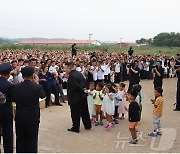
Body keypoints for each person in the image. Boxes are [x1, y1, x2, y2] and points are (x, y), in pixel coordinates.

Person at [14, 66, 45, 153]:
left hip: (20, 116)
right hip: (33, 117)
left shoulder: (16, 87)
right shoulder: (37, 87)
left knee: (20, 140)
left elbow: (13, 99)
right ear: (33, 75)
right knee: (32, 140)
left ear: (22, 75)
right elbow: (43, 95)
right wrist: (37, 82)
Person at [66, 62, 91, 133]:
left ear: (70, 68)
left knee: (75, 113)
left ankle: (75, 128)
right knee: (85, 112)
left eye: (66, 68)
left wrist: (82, 89)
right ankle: (87, 125)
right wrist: (84, 90)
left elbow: (76, 86)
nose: (65, 70)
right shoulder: (79, 73)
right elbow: (85, 82)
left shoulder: (71, 76)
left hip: (75, 98)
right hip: (83, 96)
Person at [0, 63, 14, 153]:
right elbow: (14, 98)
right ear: (9, 73)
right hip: (6, 113)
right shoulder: (9, 85)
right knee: (7, 134)